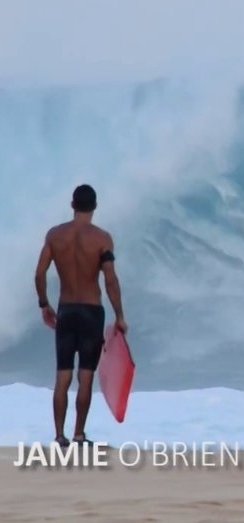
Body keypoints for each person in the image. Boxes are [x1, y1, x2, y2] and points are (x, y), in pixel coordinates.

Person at [34, 184, 127, 447]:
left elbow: (39, 274)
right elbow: (110, 280)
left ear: (72, 204)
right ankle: (78, 435)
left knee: (62, 375)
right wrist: (119, 315)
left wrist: (44, 304)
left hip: (66, 311)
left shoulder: (55, 235)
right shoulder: (102, 239)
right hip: (91, 312)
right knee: (85, 376)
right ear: (94, 207)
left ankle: (59, 436)